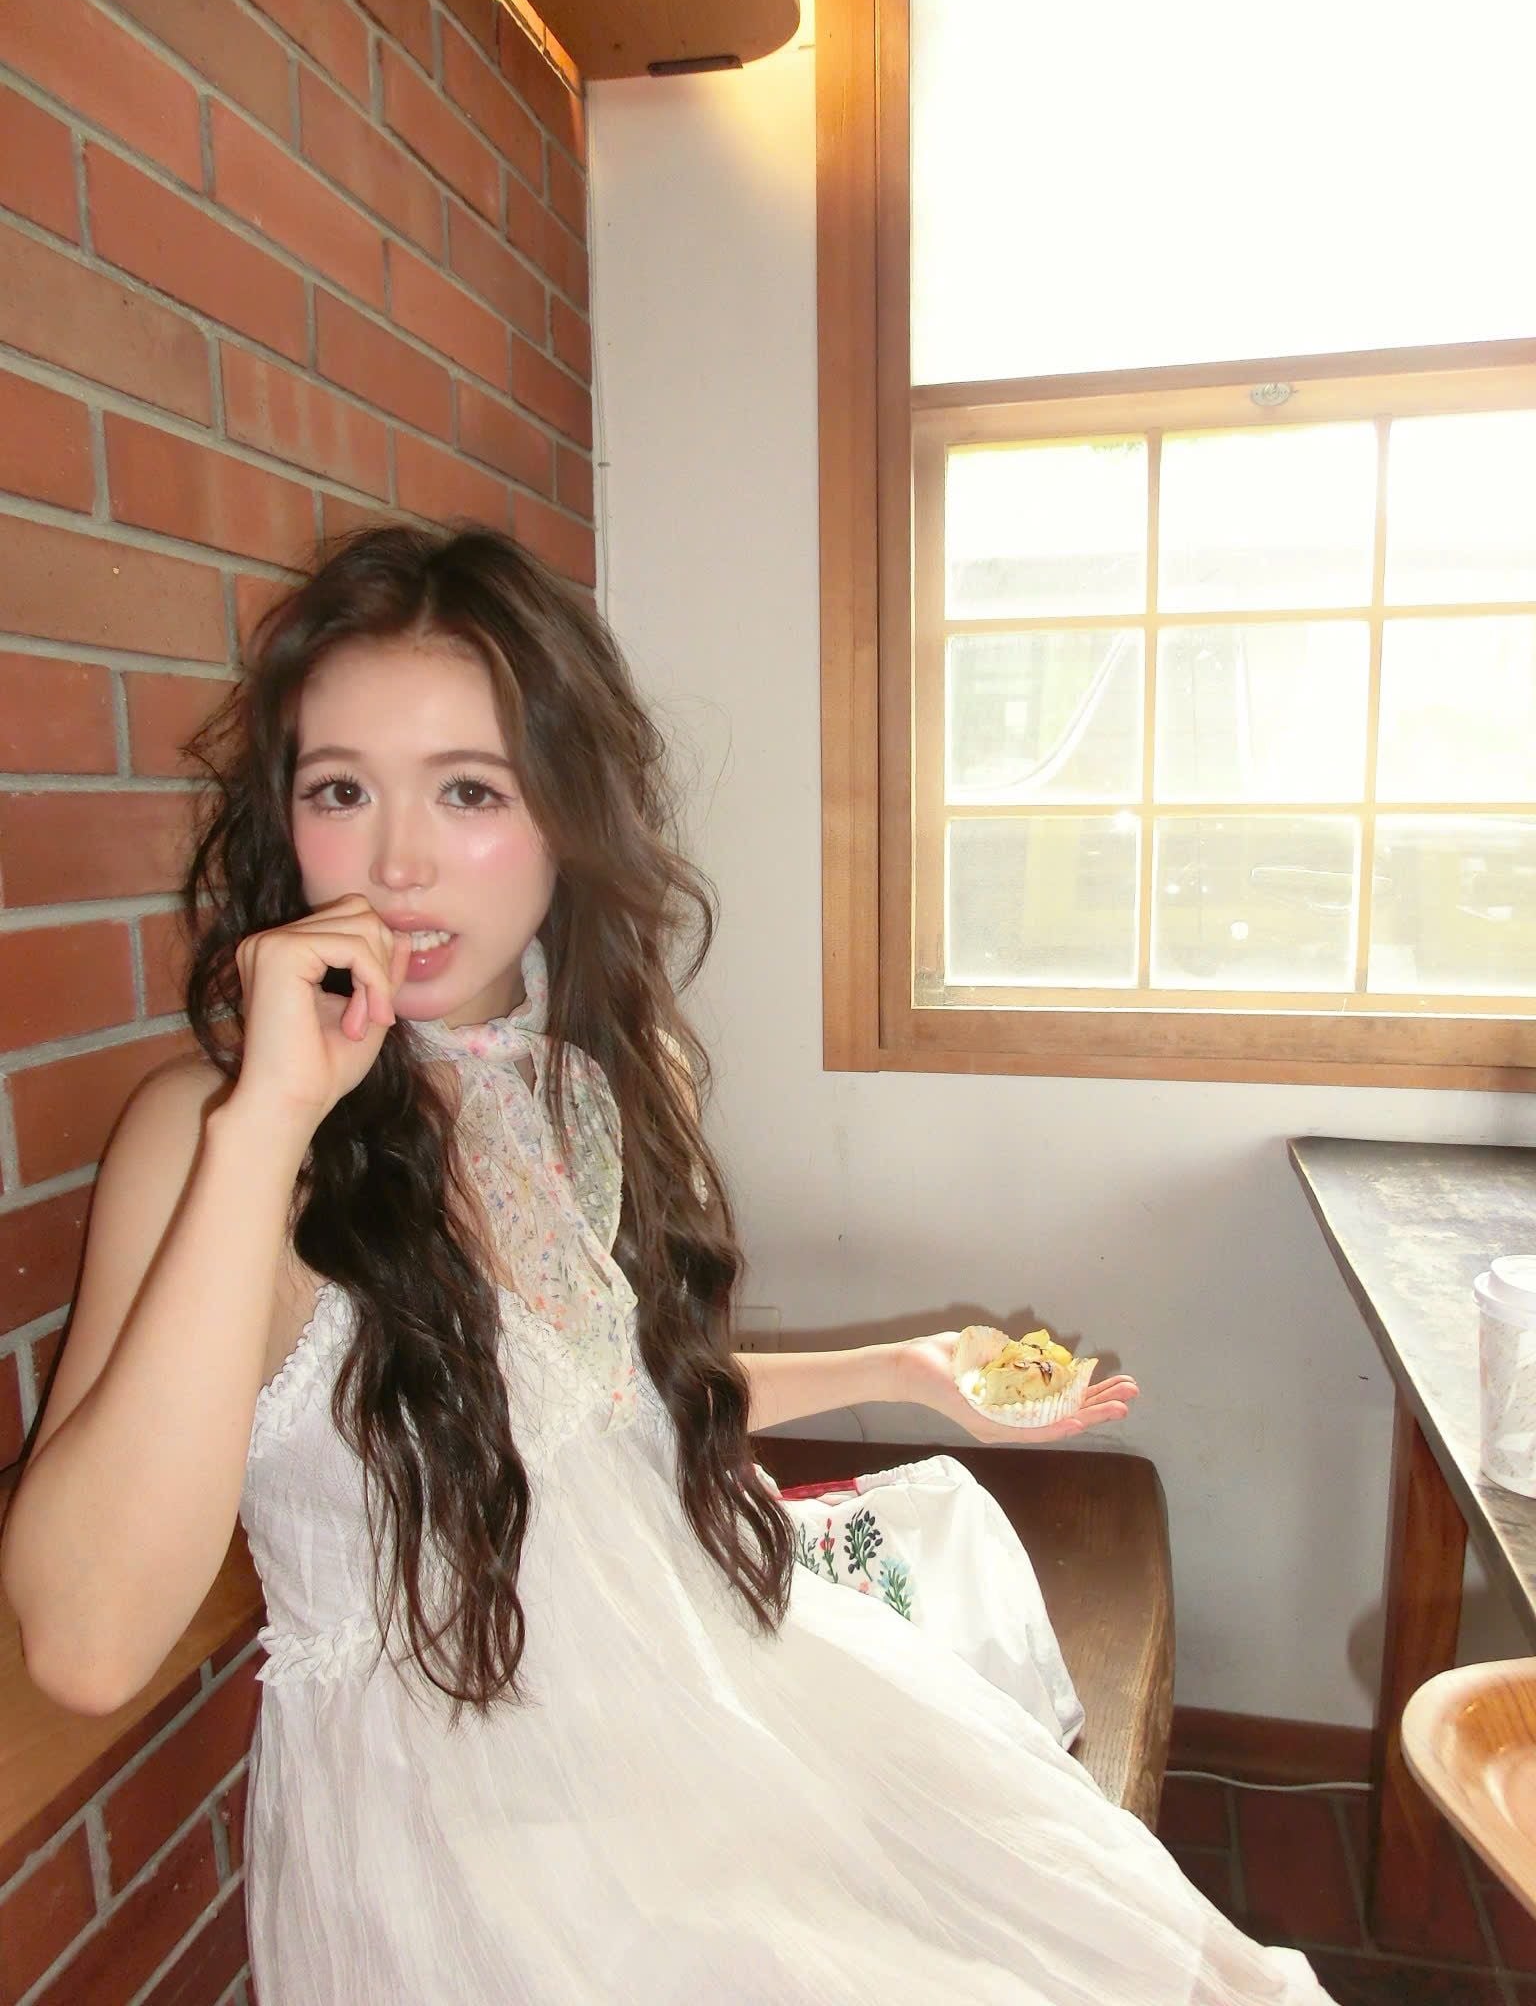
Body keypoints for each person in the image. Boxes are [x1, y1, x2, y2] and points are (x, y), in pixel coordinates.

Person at [1, 526, 1332, 2003]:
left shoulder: (587, 1085)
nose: (395, 862)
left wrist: (904, 1372)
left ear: (569, 819)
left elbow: (606, 1408)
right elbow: (86, 1643)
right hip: (470, 1848)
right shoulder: (209, 1135)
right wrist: (269, 1122)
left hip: (688, 1706)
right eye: (340, 791)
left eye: (469, 790)